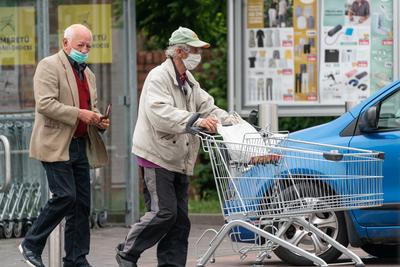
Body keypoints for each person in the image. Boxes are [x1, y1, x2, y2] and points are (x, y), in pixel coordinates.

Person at [115, 26, 238, 267]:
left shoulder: (189, 81)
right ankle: (127, 251)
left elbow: (207, 106)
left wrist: (232, 120)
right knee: (164, 212)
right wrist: (195, 120)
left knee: (180, 220)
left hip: (179, 157)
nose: (198, 55)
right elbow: (160, 113)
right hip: (156, 155)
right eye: (194, 50)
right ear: (180, 52)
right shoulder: (158, 77)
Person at [19, 24, 109, 267]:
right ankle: (31, 243)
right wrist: (80, 114)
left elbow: (91, 108)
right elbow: (45, 104)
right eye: (80, 45)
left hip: (80, 144)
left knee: (81, 206)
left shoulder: (88, 74)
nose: (84, 49)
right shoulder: (49, 65)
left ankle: (77, 259)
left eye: (88, 46)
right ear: (65, 43)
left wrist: (98, 120)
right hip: (54, 143)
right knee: (65, 196)